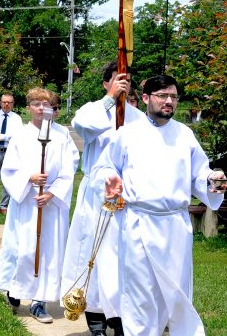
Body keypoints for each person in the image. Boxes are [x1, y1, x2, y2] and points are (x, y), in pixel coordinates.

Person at [92, 74, 227, 335]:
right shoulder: (127, 134)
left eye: (173, 97)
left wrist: (214, 181)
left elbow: (200, 174)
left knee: (177, 293)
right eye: (163, 96)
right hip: (138, 224)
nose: (169, 101)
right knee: (140, 295)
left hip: (175, 226)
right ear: (145, 98)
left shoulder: (184, 135)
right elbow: (105, 166)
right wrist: (109, 180)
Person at [60, 62, 143, 336]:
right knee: (92, 254)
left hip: (126, 197)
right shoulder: (93, 109)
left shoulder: (137, 118)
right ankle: (95, 319)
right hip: (96, 194)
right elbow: (83, 125)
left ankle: (119, 318)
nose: (123, 85)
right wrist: (109, 101)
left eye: (127, 80)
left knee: (121, 258)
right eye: (118, 79)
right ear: (105, 83)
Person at [0, 88, 79, 324]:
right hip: (27, 201)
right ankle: (15, 289)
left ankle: (40, 301)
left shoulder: (62, 135)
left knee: (48, 252)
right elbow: (9, 169)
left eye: (46, 104)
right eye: (36, 104)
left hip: (51, 203)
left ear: (52, 108)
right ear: (29, 107)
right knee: (24, 249)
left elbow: (70, 169)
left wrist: (52, 193)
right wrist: (29, 178)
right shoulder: (21, 135)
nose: (41, 108)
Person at [107, 0, 155, 66]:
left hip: (130, 10)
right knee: (126, 35)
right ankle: (128, 60)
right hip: (125, 11)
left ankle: (129, 60)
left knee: (130, 35)